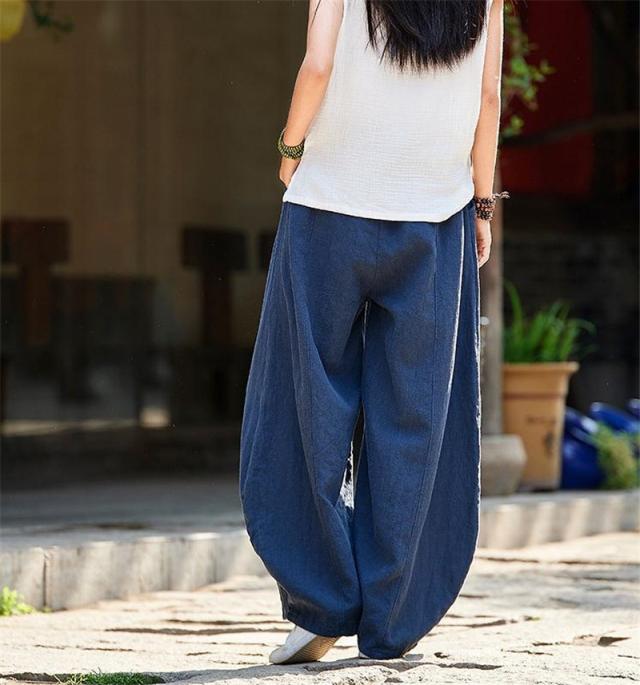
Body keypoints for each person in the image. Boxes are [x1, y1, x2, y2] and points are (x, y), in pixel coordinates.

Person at [239, 0, 507, 665]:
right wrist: (481, 203)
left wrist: (290, 147)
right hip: (436, 218)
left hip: (327, 208)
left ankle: (320, 602)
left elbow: (318, 65)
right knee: (419, 417)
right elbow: (488, 97)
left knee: (303, 404)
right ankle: (395, 616)